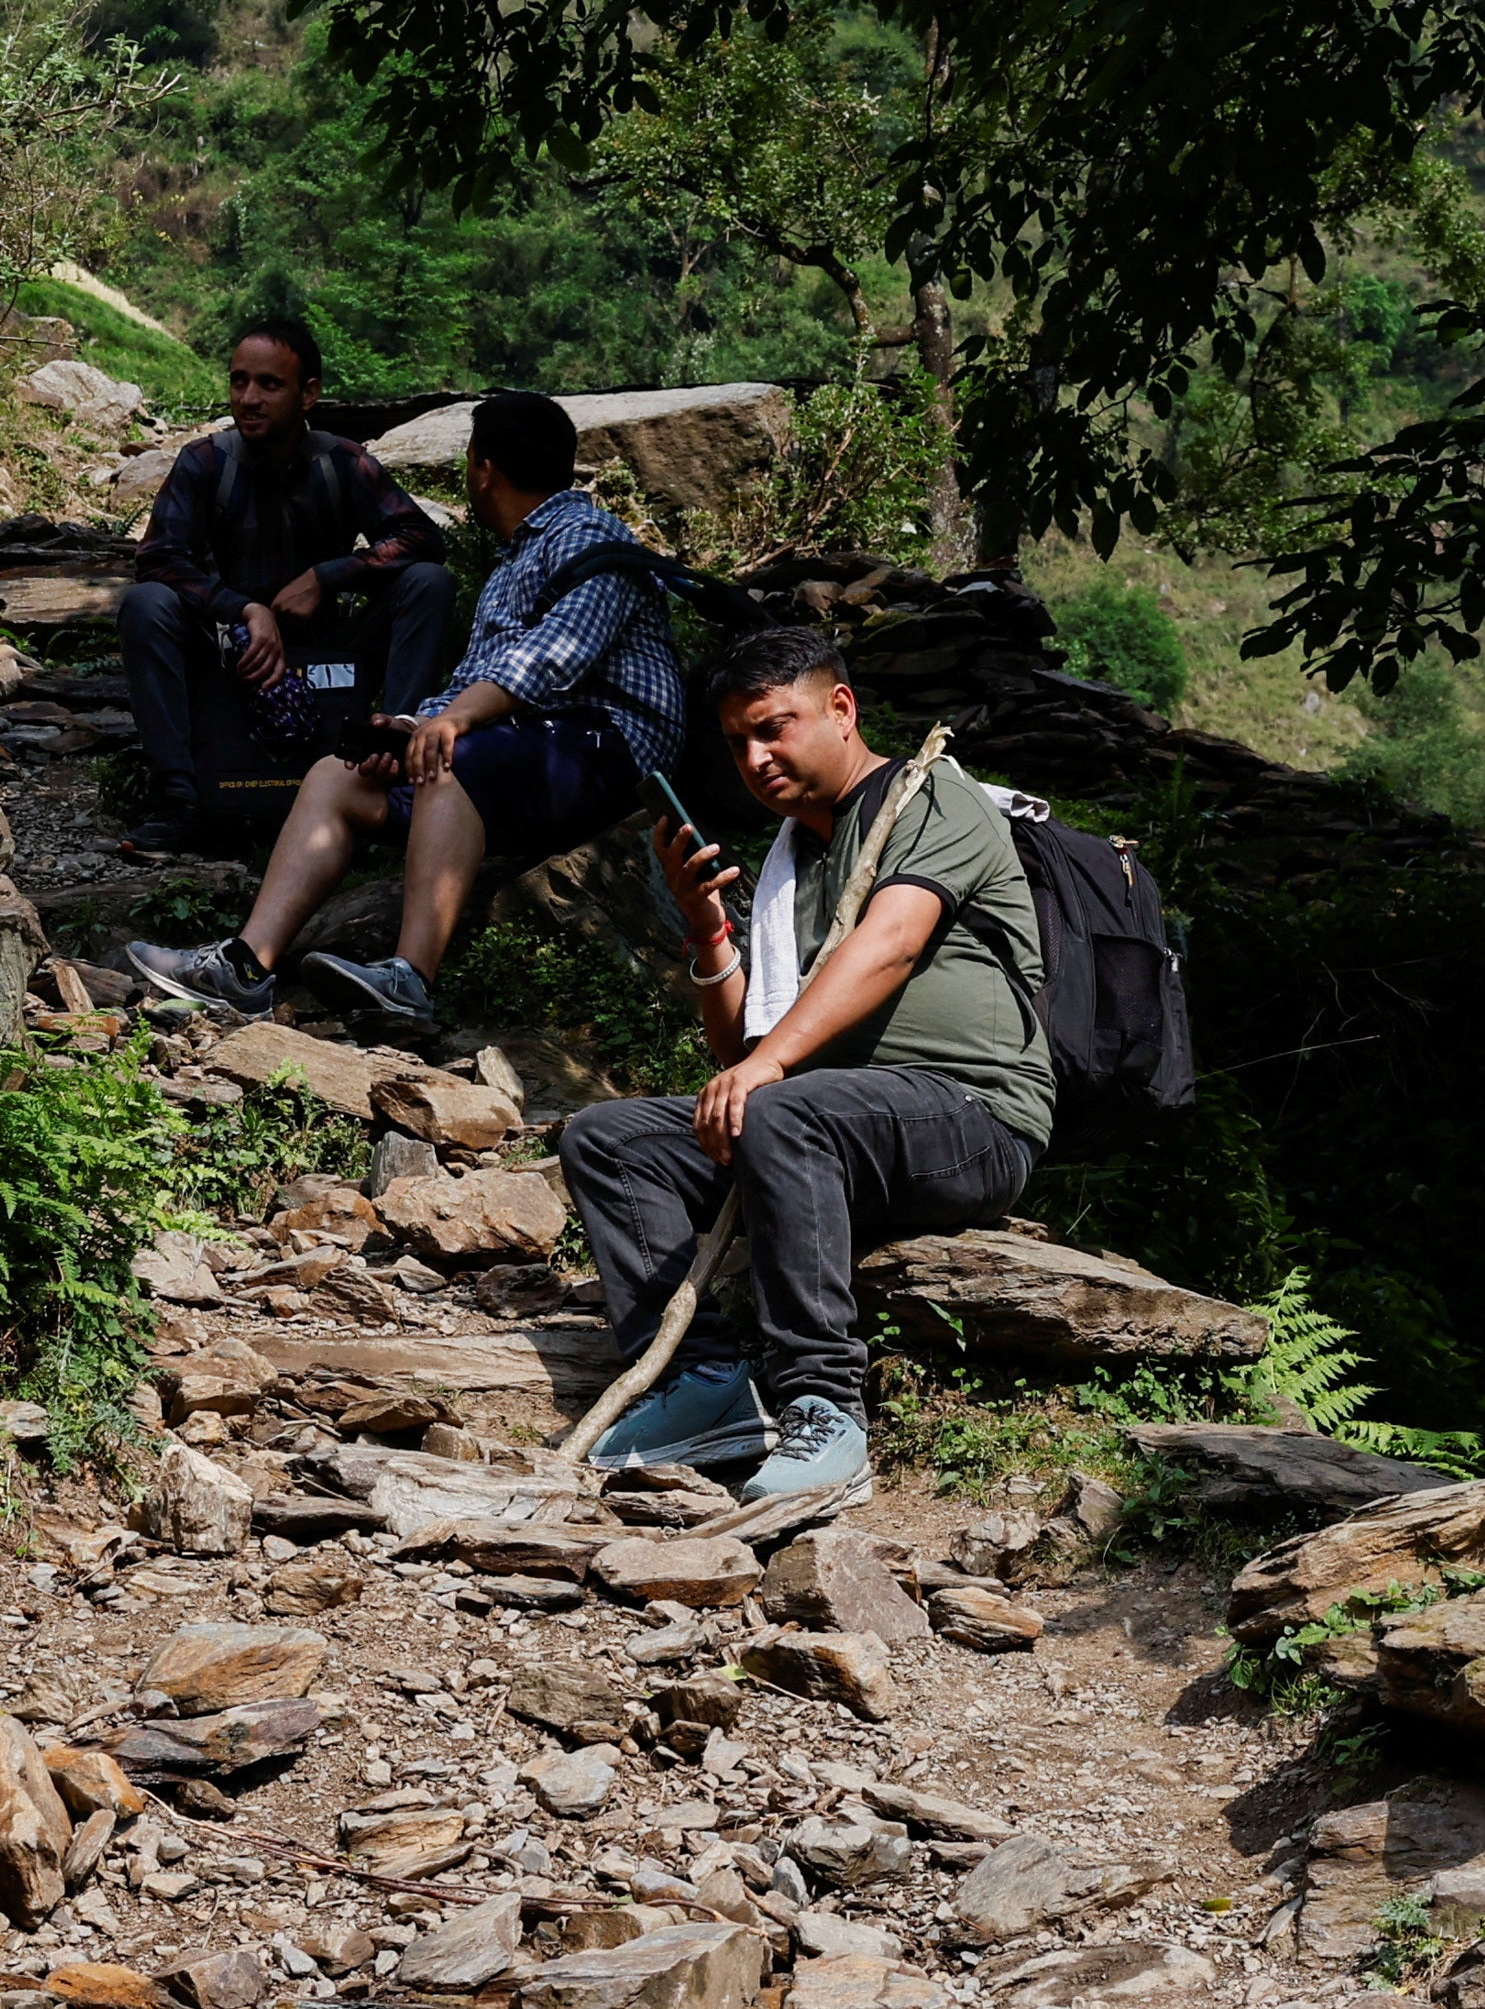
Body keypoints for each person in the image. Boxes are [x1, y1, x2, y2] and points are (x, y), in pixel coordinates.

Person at [556, 619, 1049, 1499]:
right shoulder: (797, 856)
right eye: (738, 739)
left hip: (972, 1114)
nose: (755, 756)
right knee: (610, 1138)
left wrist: (768, 1070)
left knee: (780, 1104)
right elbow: (741, 1047)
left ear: (842, 707)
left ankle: (823, 1404)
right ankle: (705, 1387)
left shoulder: (931, 798)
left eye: (775, 725)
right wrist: (708, 926)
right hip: (830, 1120)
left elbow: (892, 942)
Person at [128, 390, 681, 1037]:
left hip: (609, 751)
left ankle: (410, 980)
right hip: (519, 753)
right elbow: (480, 682)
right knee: (337, 776)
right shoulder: (515, 562)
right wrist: (413, 726)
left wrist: (441, 729)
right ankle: (245, 969)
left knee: (448, 760)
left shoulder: (587, 539)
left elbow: (548, 663)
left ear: (482, 467)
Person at [115, 320, 452, 852]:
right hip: (231, 654)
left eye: (269, 384)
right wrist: (244, 608)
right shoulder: (206, 463)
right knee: (146, 603)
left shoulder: (343, 462)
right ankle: (178, 800)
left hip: (330, 646)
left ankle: (395, 760)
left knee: (428, 583)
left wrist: (328, 574)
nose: (248, 398)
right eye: (238, 381)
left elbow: (420, 538)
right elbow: (159, 558)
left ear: (308, 394)